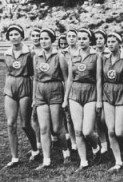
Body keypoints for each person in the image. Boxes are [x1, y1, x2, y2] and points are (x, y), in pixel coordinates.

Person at [62, 28, 102, 172]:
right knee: (77, 130)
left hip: (91, 93)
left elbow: (98, 80)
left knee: (87, 131)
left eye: (84, 38)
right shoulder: (72, 56)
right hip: (75, 94)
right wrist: (66, 99)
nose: (81, 41)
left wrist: (98, 100)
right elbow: (70, 79)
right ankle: (84, 161)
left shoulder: (96, 56)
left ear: (90, 40)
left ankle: (96, 147)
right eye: (79, 39)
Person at [33, 28, 70, 170]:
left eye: (46, 38)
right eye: (41, 39)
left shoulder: (59, 56)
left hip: (55, 91)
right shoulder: (36, 56)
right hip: (40, 92)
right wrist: (34, 98)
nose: (43, 41)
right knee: (43, 128)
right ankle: (46, 159)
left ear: (52, 40)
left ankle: (66, 152)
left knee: (57, 128)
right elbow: (35, 79)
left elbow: (66, 79)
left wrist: (65, 98)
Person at [3, 24, 39, 169]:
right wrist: (7, 85)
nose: (13, 37)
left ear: (22, 36)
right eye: (11, 35)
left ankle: (36, 150)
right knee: (10, 124)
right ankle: (15, 157)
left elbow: (33, 74)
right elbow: (7, 71)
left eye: (16, 34)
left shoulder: (29, 52)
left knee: (25, 124)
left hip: (25, 85)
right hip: (11, 86)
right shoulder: (6, 53)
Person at [103, 32, 123, 172]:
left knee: (119, 131)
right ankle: (118, 161)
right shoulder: (105, 59)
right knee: (110, 131)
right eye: (108, 41)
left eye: (113, 41)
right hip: (108, 93)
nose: (110, 44)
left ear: (119, 43)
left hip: (122, 93)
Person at [61, 29, 78, 152]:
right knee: (68, 116)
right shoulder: (62, 53)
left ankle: (83, 138)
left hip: (79, 84)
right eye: (69, 36)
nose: (71, 38)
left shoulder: (81, 51)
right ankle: (73, 141)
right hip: (66, 84)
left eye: (73, 36)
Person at [94, 29, 109, 154]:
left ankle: (113, 139)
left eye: (101, 38)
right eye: (96, 38)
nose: (98, 40)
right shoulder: (92, 53)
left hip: (108, 87)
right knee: (97, 117)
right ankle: (103, 143)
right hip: (94, 87)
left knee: (106, 117)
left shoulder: (109, 53)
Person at [30, 27, 42, 151]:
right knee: (33, 115)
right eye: (33, 35)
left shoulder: (44, 51)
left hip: (43, 84)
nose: (36, 38)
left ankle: (52, 137)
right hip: (30, 84)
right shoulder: (29, 52)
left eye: (38, 35)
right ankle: (38, 142)